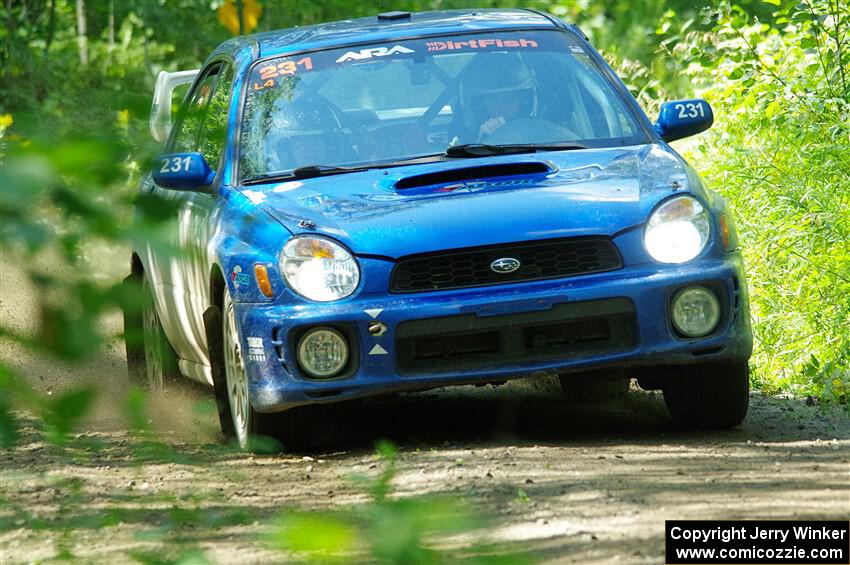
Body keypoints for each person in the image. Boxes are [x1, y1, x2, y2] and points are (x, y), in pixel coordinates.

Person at [456, 52, 539, 142]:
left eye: (509, 98)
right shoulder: (463, 142)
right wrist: (482, 141)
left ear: (523, 101)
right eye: (492, 100)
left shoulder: (542, 131)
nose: (501, 106)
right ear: (479, 104)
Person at [265, 94, 354, 171]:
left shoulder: (353, 170)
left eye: (317, 144)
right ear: (289, 150)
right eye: (301, 146)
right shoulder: (269, 179)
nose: (310, 152)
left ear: (329, 147)